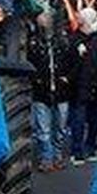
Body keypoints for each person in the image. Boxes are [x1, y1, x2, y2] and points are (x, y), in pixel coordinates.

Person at [26, 11, 72, 172]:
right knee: (43, 129)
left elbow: (72, 63)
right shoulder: (33, 44)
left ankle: (57, 155)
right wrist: (36, 80)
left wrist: (67, 77)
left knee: (61, 126)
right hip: (41, 91)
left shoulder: (63, 42)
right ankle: (47, 157)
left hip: (62, 91)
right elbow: (30, 67)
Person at [67, 8, 97, 164]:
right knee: (78, 121)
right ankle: (77, 150)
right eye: (94, 20)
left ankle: (91, 147)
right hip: (79, 88)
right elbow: (70, 65)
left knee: (95, 120)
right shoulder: (74, 40)